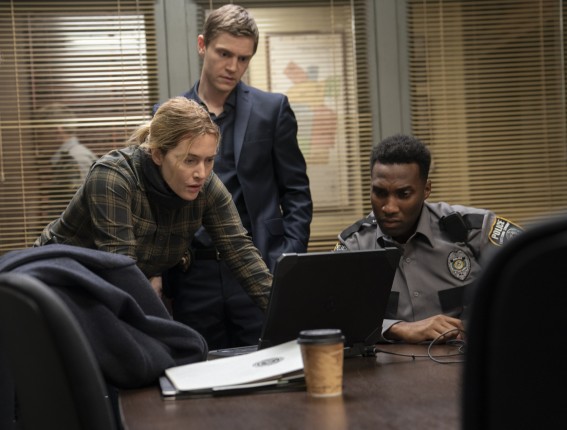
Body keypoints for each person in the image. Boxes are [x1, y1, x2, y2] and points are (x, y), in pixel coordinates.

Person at [159, 4, 313, 349]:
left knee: (269, 366)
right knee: (200, 369)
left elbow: (297, 193)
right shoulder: (168, 115)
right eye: (224, 53)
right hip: (192, 274)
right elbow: (158, 199)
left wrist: (287, 258)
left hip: (258, 265)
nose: (233, 67)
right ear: (202, 45)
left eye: (243, 58)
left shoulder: (272, 110)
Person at [34, 96, 273, 314]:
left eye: (209, 160)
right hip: (54, 284)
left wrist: (284, 314)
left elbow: (240, 251)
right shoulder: (113, 177)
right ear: (158, 155)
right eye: (189, 160)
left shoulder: (205, 186)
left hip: (102, 290)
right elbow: (120, 269)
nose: (201, 173)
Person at [334, 134, 523, 344]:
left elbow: (536, 277)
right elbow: (330, 315)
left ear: (426, 190)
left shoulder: (474, 230)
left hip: (466, 357)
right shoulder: (354, 245)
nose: (389, 207)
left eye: (403, 194)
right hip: (388, 362)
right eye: (380, 193)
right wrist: (397, 328)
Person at [35, 102, 98, 217]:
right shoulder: (70, 158)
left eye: (40, 133)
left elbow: (83, 212)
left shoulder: (75, 159)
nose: (37, 140)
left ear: (57, 130)